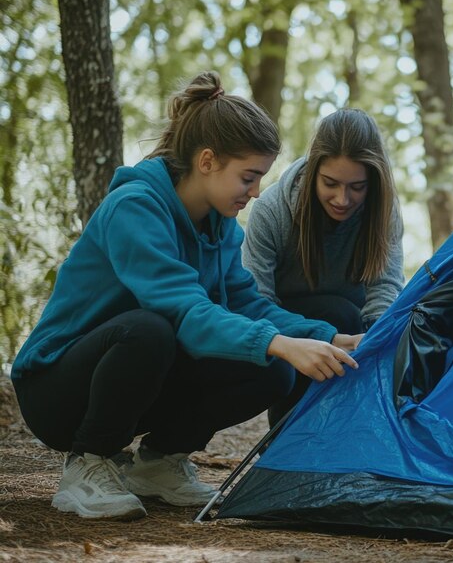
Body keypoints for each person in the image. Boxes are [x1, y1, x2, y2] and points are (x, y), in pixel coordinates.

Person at [10, 72, 362, 521]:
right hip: (57, 391)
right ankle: (89, 462)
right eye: (249, 177)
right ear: (208, 161)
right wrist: (279, 341)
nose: (256, 193)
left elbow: (247, 304)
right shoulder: (135, 207)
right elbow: (183, 310)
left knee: (273, 368)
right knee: (150, 328)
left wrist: (328, 336)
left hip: (138, 377)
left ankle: (158, 462)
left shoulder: (220, 229)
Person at [242, 108, 404, 428]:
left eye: (357, 187)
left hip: (350, 326)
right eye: (330, 183)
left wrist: (378, 340)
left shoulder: (383, 213)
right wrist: (310, 337)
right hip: (284, 328)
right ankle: (285, 436)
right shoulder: (272, 211)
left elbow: (384, 285)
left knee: (350, 316)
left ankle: (343, 434)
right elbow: (254, 299)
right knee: (333, 311)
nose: (342, 199)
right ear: (313, 171)